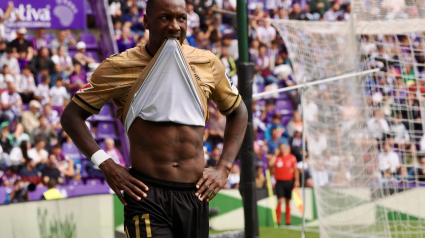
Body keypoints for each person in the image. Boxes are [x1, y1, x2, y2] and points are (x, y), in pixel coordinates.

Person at [61, 0, 248, 237]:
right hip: (145, 194)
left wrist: (224, 167)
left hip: (195, 194)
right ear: (146, 21)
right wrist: (107, 165)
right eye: (165, 18)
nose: (174, 26)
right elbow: (71, 116)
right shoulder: (119, 66)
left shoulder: (208, 63)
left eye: (181, 18)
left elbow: (238, 112)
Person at [271, 143, 300, 225]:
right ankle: (278, 221)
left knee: (288, 201)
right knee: (280, 200)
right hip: (279, 182)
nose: (282, 150)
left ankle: (288, 221)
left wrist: (297, 180)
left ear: (287, 148)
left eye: (283, 148)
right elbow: (270, 164)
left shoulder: (291, 158)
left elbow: (295, 169)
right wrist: (275, 154)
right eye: (280, 148)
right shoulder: (277, 157)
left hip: (289, 181)